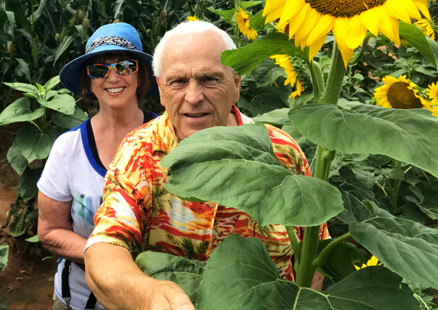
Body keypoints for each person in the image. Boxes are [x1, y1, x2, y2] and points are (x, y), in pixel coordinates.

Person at [84, 21, 328, 310]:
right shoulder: (142, 153)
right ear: (161, 90)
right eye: (178, 82)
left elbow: (315, 251)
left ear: (236, 84)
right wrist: (147, 295)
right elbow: (106, 247)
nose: (193, 96)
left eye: (209, 79)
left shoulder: (282, 152)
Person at [37, 23, 158, 310]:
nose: (113, 77)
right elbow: (50, 231)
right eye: (99, 69)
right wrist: (109, 259)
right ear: (89, 82)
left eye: (125, 66)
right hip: (79, 300)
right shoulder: (69, 148)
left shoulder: (166, 141)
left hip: (153, 299)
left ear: (140, 75)